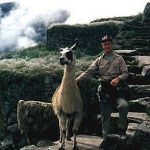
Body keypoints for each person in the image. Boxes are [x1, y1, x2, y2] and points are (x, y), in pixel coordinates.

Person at [76, 35, 128, 150]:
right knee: (105, 116)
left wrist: (118, 79)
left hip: (116, 90)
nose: (107, 46)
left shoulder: (119, 58)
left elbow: (125, 73)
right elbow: (89, 72)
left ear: (111, 44)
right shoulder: (99, 60)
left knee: (123, 106)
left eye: (109, 44)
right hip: (104, 90)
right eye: (105, 44)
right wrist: (77, 80)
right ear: (102, 46)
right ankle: (106, 140)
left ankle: (121, 130)